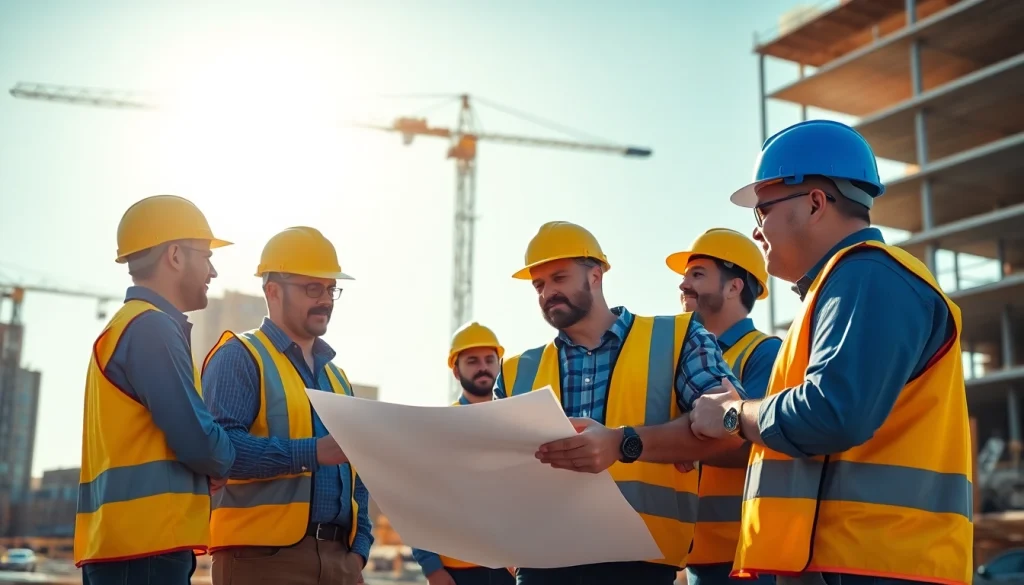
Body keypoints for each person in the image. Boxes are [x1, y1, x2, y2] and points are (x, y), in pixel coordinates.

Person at [688, 119, 973, 585]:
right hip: (853, 561)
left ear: (815, 203)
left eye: (762, 212)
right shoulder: (844, 284)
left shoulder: (867, 277)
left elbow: (831, 412)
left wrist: (733, 414)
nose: (757, 232)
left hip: (873, 564)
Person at [496, 221, 748, 585]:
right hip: (541, 563)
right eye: (539, 285)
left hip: (640, 564)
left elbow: (731, 426)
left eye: (559, 278)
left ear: (595, 276)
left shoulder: (677, 338)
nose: (548, 292)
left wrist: (625, 443)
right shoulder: (515, 371)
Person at [76, 194, 236, 584]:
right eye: (206, 256)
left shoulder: (127, 326)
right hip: (144, 551)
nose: (212, 272)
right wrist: (222, 458)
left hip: (130, 547)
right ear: (176, 255)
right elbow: (199, 441)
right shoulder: (151, 328)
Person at [201, 226, 373, 585]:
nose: (325, 299)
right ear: (273, 291)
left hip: (341, 562)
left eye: (330, 289)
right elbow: (220, 451)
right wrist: (312, 452)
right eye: (312, 288)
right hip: (261, 561)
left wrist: (359, 549)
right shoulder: (240, 357)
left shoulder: (338, 379)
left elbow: (360, 471)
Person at [665, 228, 780, 585]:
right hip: (696, 559)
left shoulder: (764, 353)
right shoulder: (680, 358)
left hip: (748, 559)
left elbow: (758, 442)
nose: (684, 285)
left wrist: (679, 446)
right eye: (684, 277)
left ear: (734, 287)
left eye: (697, 275)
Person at [411, 322, 516, 585]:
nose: (483, 367)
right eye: (472, 361)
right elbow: (416, 503)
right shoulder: (440, 428)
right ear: (456, 371)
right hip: (457, 572)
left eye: (489, 360)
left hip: (511, 568)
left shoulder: (516, 423)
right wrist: (432, 569)